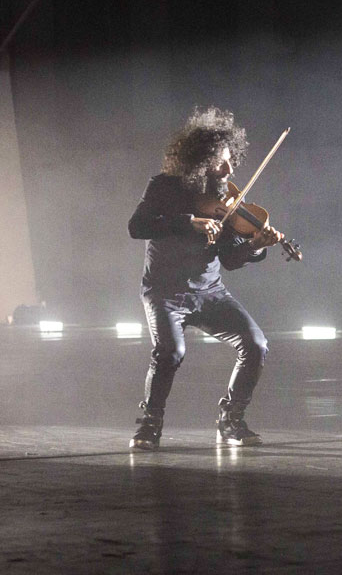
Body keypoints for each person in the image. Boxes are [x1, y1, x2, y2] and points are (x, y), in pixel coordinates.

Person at [127, 107, 283, 450]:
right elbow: (137, 227)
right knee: (170, 351)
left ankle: (231, 420)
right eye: (220, 162)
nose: (229, 169)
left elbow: (229, 259)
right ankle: (150, 424)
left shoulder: (223, 200)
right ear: (197, 161)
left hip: (209, 291)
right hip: (165, 291)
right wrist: (188, 222)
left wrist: (255, 246)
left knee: (255, 344)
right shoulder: (164, 187)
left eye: (231, 160)